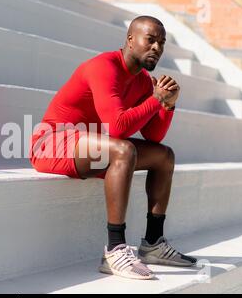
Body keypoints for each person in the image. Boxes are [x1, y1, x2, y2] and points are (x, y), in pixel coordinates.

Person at [29, 16, 197, 280]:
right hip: (51, 143)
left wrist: (167, 105)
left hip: (91, 145)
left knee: (164, 156)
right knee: (123, 149)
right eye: (150, 40)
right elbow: (118, 127)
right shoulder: (104, 67)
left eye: (161, 43)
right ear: (130, 40)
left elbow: (154, 135)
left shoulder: (142, 81)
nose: (157, 48)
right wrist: (156, 100)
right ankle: (116, 250)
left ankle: (153, 243)